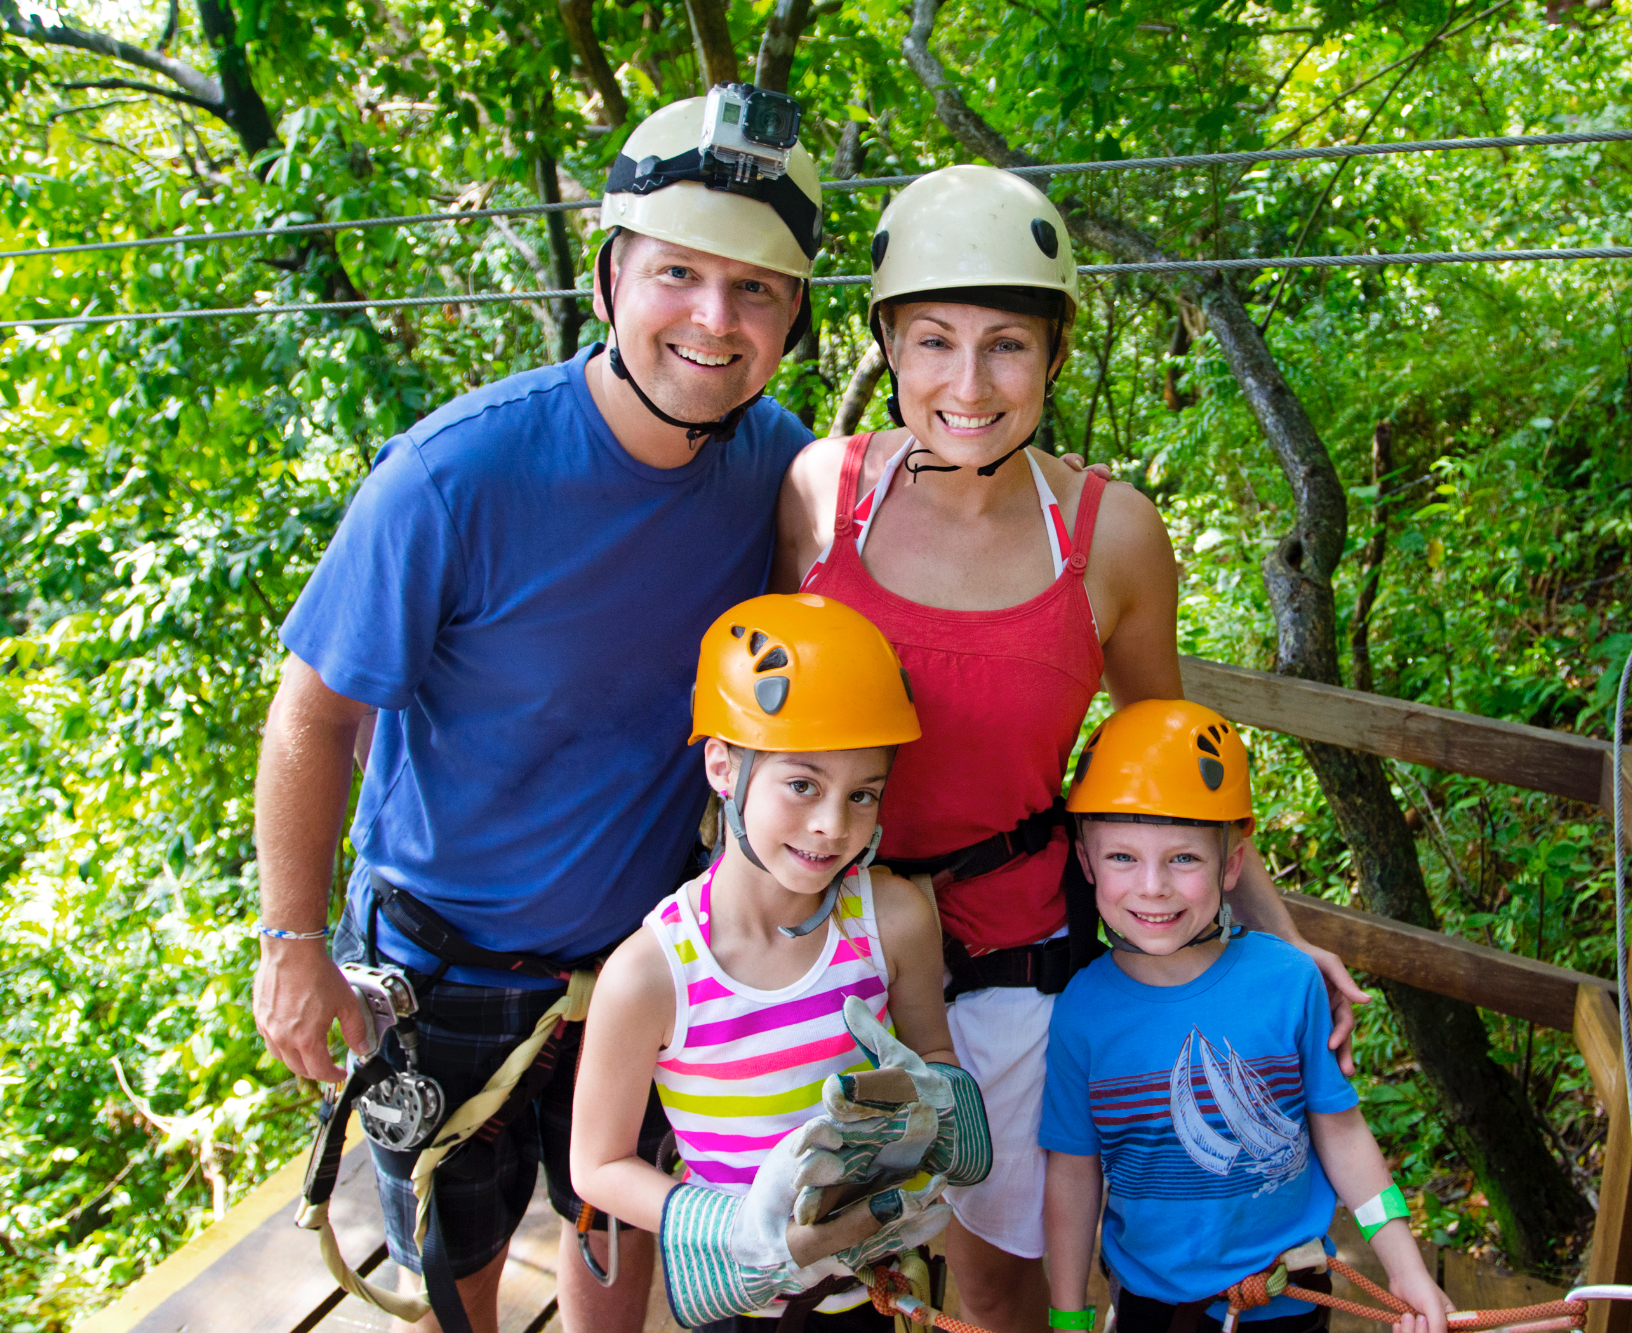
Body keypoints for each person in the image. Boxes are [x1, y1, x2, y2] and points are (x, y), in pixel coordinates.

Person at [253, 92, 824, 1333]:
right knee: (456, 1270)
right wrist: (291, 947)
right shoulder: (456, 475)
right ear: (613, 273)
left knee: (608, 1226)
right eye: (677, 272)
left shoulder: (769, 463)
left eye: (757, 291)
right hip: (439, 963)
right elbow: (313, 711)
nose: (713, 322)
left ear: (793, 318)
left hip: (636, 962)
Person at [773, 165, 1366, 1333]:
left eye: (1006, 345)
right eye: (932, 340)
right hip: (825, 948)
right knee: (832, 1270)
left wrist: (1284, 946)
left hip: (1010, 955)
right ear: (886, 344)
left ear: (1052, 355)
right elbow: (755, 742)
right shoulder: (817, 498)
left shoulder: (1108, 536)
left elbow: (1170, 768)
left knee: (998, 1282)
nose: (967, 382)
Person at [570, 592, 992, 1333]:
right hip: (743, 1302)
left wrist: (942, 1104)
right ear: (723, 767)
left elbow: (931, 1050)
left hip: (878, 1288)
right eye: (803, 784)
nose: (834, 825)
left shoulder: (891, 918)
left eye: (864, 794)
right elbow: (596, 1165)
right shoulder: (650, 974)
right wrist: (743, 1228)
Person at [1041, 700, 1450, 1333]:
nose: (1153, 887)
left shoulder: (1288, 982)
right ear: (1087, 861)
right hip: (1156, 1310)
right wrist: (1068, 1317)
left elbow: (1341, 1134)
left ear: (1232, 863)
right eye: (1123, 857)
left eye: (1185, 858)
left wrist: (1406, 1268)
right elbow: (1073, 1174)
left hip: (1292, 1299)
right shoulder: (1082, 1012)